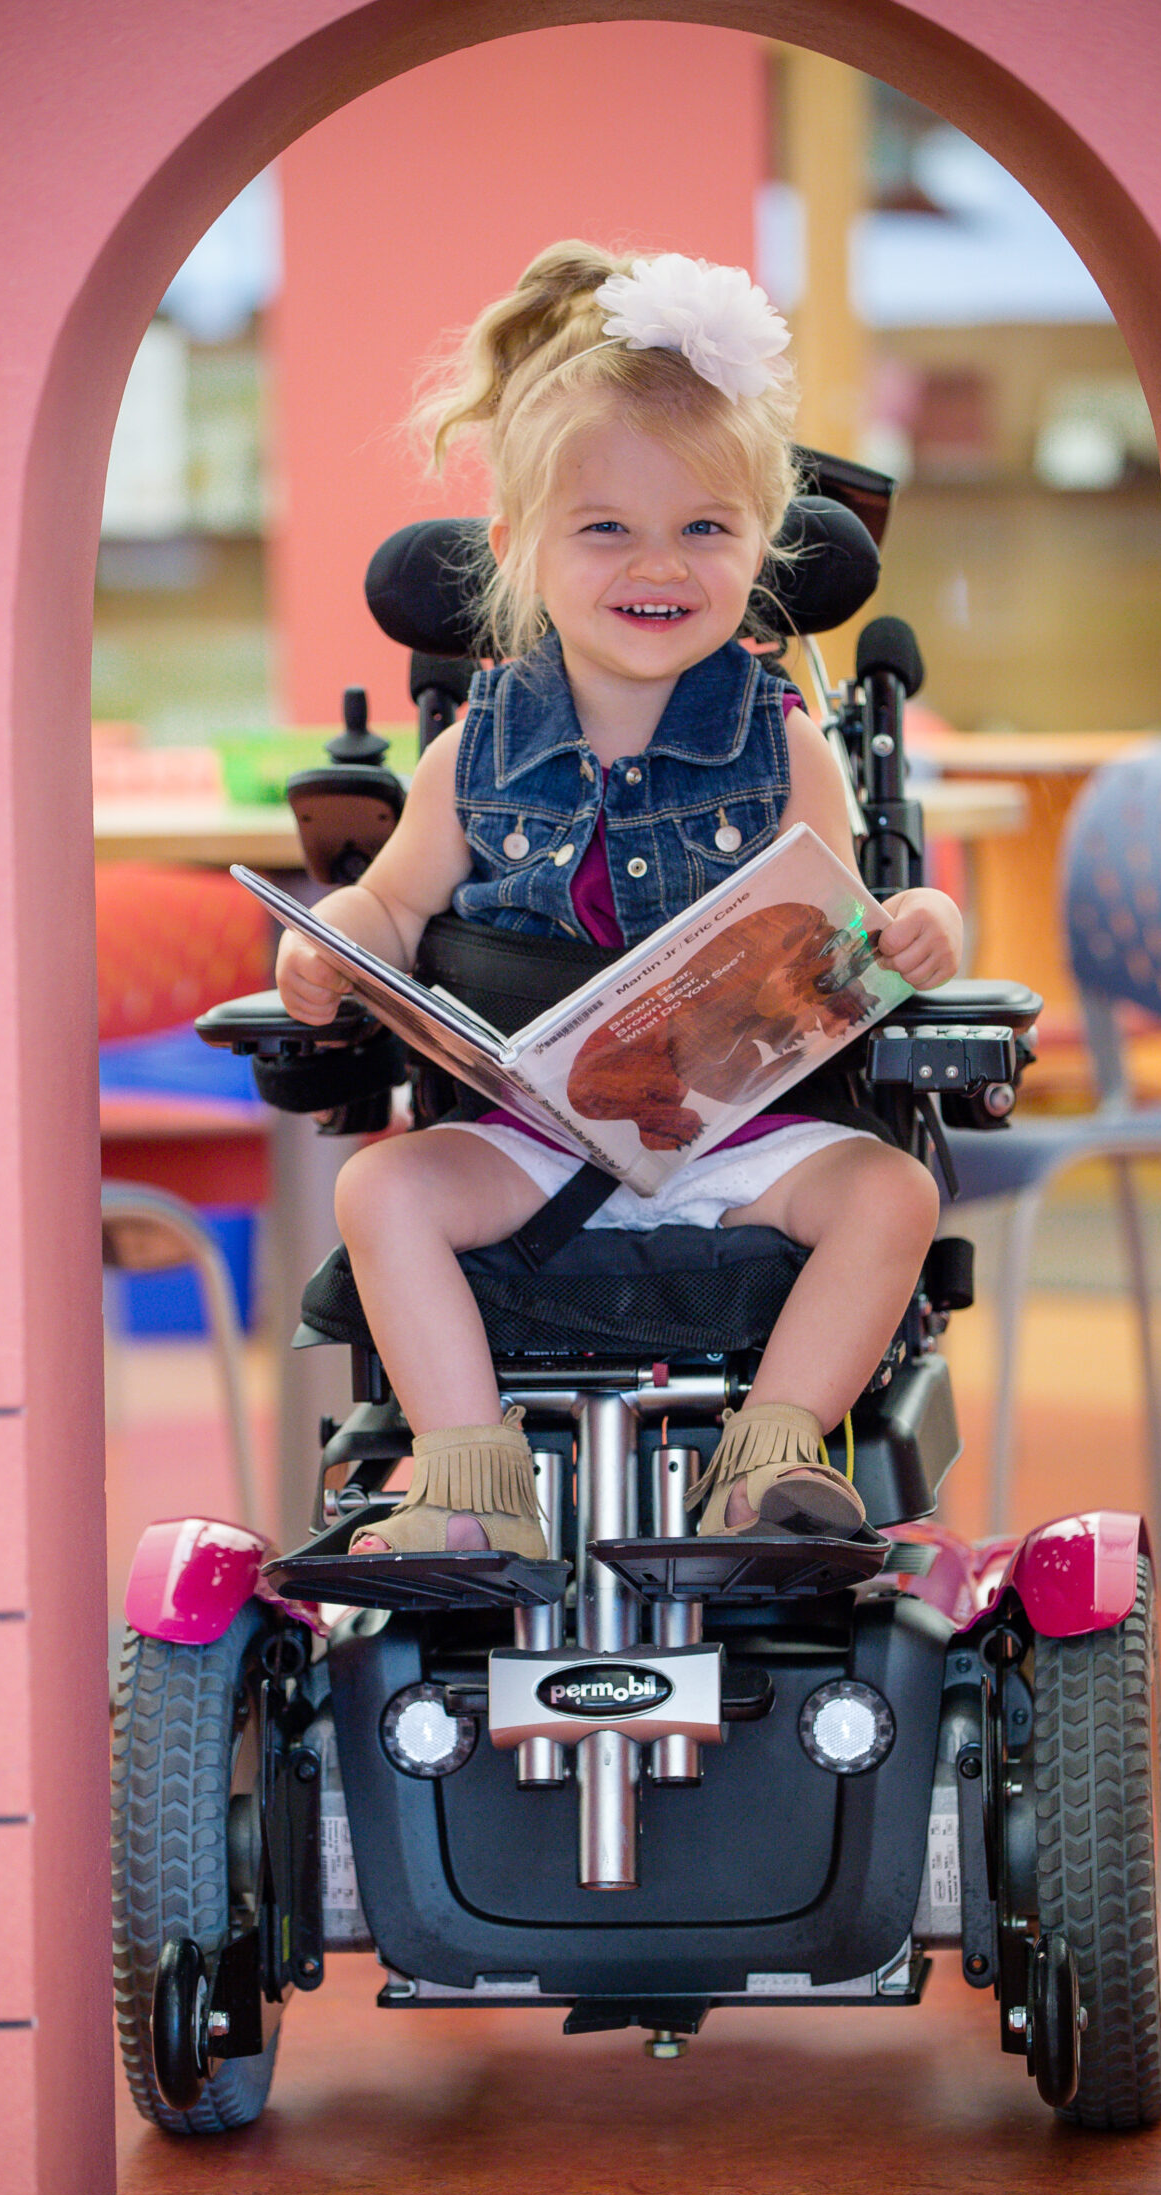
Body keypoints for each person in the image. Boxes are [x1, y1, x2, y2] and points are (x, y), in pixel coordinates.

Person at [277, 241, 962, 1555]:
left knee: (895, 1197)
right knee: (382, 1192)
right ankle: (470, 1485)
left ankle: (771, 1459)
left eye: (706, 527)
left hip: (743, 1135)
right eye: (607, 528)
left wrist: (922, 935)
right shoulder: (469, 755)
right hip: (533, 1144)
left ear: (761, 545)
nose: (661, 562)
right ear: (518, 546)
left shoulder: (784, 745)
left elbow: (854, 925)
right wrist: (331, 952)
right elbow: (392, 905)